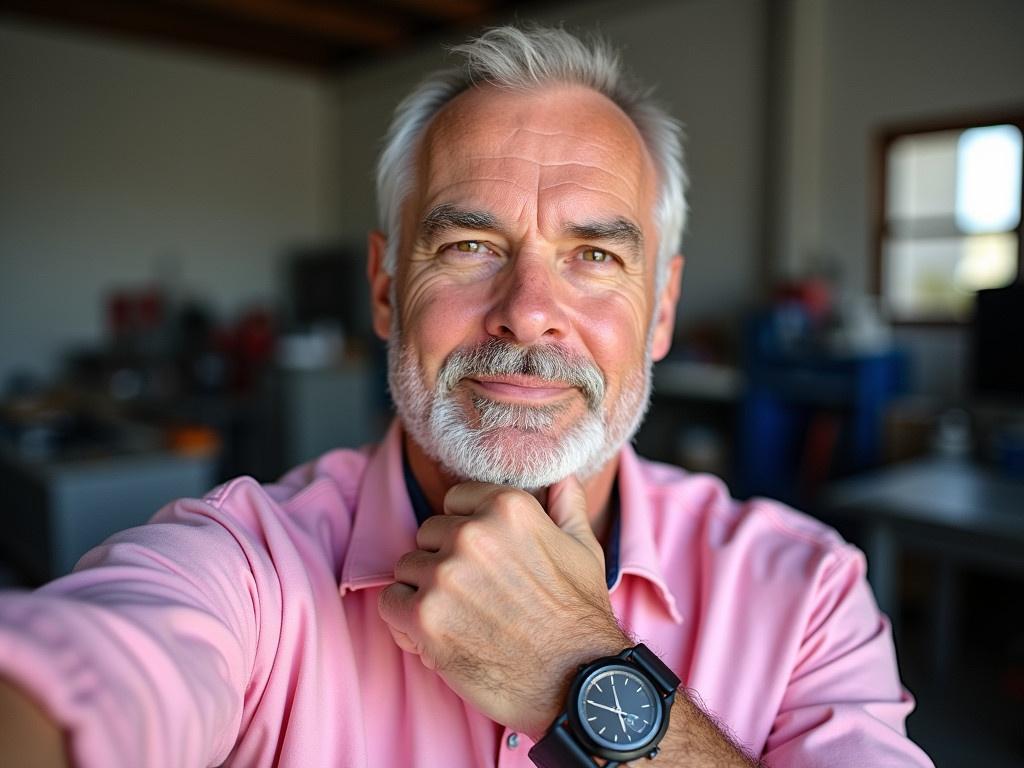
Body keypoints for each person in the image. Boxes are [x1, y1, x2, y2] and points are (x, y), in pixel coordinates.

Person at [0, 25, 933, 768]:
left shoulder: (810, 592)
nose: (529, 315)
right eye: (469, 247)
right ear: (381, 288)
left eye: (595, 257)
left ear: (661, 312)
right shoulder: (246, 569)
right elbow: (92, 671)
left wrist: (577, 673)